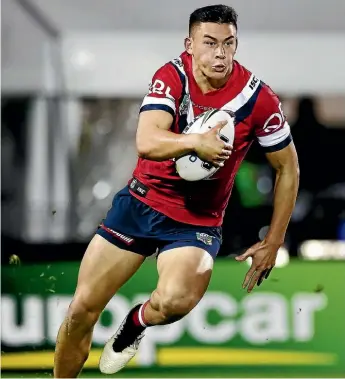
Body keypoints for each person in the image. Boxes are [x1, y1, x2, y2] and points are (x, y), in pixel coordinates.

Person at [53, 4, 299, 377]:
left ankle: (135, 323)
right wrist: (194, 143)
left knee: (176, 302)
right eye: (210, 42)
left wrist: (274, 240)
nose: (220, 53)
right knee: (81, 310)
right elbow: (147, 140)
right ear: (190, 43)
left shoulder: (258, 100)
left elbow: (288, 168)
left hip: (195, 222)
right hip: (140, 204)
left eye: (229, 43)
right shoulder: (172, 76)